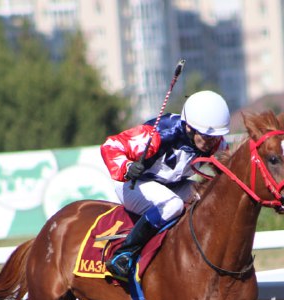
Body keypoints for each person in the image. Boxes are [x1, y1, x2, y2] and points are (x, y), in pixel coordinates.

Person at [99, 90, 231, 281]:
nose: (212, 143)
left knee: (210, 196)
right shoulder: (160, 133)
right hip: (134, 184)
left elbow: (227, 172)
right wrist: (127, 167)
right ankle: (124, 254)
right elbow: (111, 145)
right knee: (172, 205)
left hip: (172, 185)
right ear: (190, 127)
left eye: (216, 137)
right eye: (206, 136)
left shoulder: (215, 142)